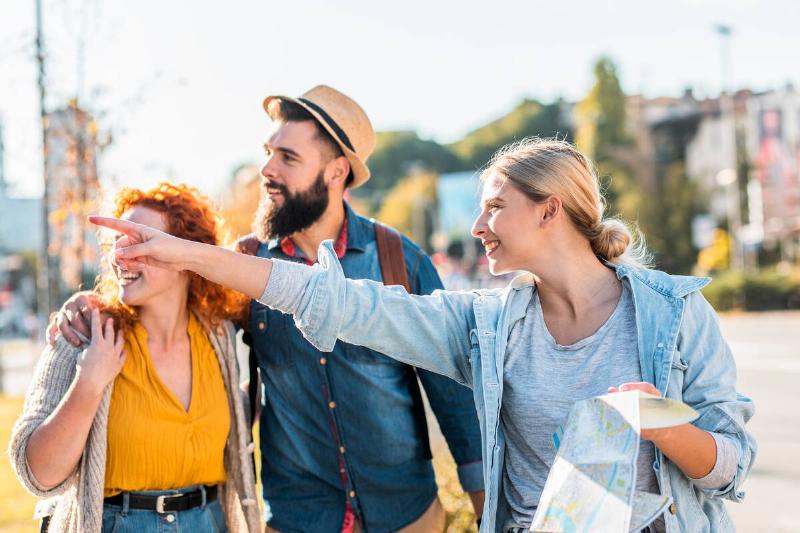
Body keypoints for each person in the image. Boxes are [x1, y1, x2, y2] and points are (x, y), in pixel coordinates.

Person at [91, 137, 757, 533]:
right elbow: (336, 302)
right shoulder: (484, 326)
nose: (478, 225)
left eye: (496, 205)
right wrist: (181, 252)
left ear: (551, 209)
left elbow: (731, 465)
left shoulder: (672, 316)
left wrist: (663, 426)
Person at [53, 85, 485, 533]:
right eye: (268, 152)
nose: (267, 170)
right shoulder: (243, 265)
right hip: (298, 519)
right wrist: (90, 305)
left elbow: (455, 400)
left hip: (405, 516)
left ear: (336, 172)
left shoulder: (400, 259)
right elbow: (170, 298)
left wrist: (485, 509)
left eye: (288, 158)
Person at [10, 183, 260, 533]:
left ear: (185, 255)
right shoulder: (84, 332)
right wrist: (90, 381)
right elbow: (38, 475)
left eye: (139, 243)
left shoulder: (217, 335)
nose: (120, 257)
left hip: (209, 521)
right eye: (116, 245)